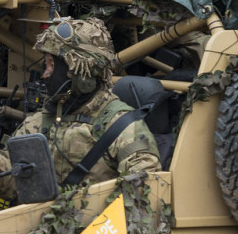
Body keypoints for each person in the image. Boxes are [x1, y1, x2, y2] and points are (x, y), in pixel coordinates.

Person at [10, 18, 161, 191]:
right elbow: (11, 183)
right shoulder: (37, 122)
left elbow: (143, 191)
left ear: (77, 73)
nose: (45, 75)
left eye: (52, 65)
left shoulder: (123, 127)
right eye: (46, 64)